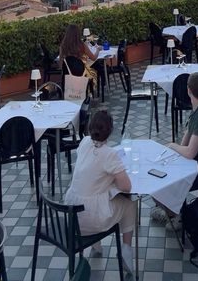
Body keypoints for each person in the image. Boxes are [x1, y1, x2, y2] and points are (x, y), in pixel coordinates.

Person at [65, 110, 136, 274]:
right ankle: (126, 249)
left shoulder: (83, 143)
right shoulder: (110, 155)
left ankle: (96, 247)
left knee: (95, 192)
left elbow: (90, 171)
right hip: (91, 219)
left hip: (72, 214)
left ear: (90, 128)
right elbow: (127, 187)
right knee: (130, 203)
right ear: (110, 131)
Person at [151, 72, 198, 226]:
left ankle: (175, 216)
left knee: (158, 183)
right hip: (196, 164)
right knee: (159, 174)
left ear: (188, 90)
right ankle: (174, 210)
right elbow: (185, 144)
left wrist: (171, 146)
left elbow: (189, 153)